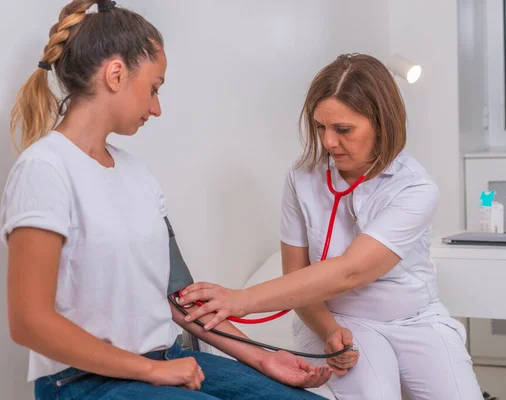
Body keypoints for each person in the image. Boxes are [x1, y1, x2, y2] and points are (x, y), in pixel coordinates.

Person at [1, 1, 331, 399]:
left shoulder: (136, 174)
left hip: (166, 359)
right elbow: (28, 322)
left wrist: (264, 359)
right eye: (154, 88)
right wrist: (151, 373)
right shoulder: (45, 169)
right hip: (82, 382)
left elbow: (178, 295)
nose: (157, 108)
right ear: (116, 74)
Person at [178, 54, 484, 399]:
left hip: (414, 320)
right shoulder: (302, 178)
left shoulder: (414, 188)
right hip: (340, 319)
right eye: (320, 127)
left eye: (343, 130)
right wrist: (329, 330)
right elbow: (297, 278)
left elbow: (349, 272)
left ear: (381, 124)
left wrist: (240, 300)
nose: (328, 142)